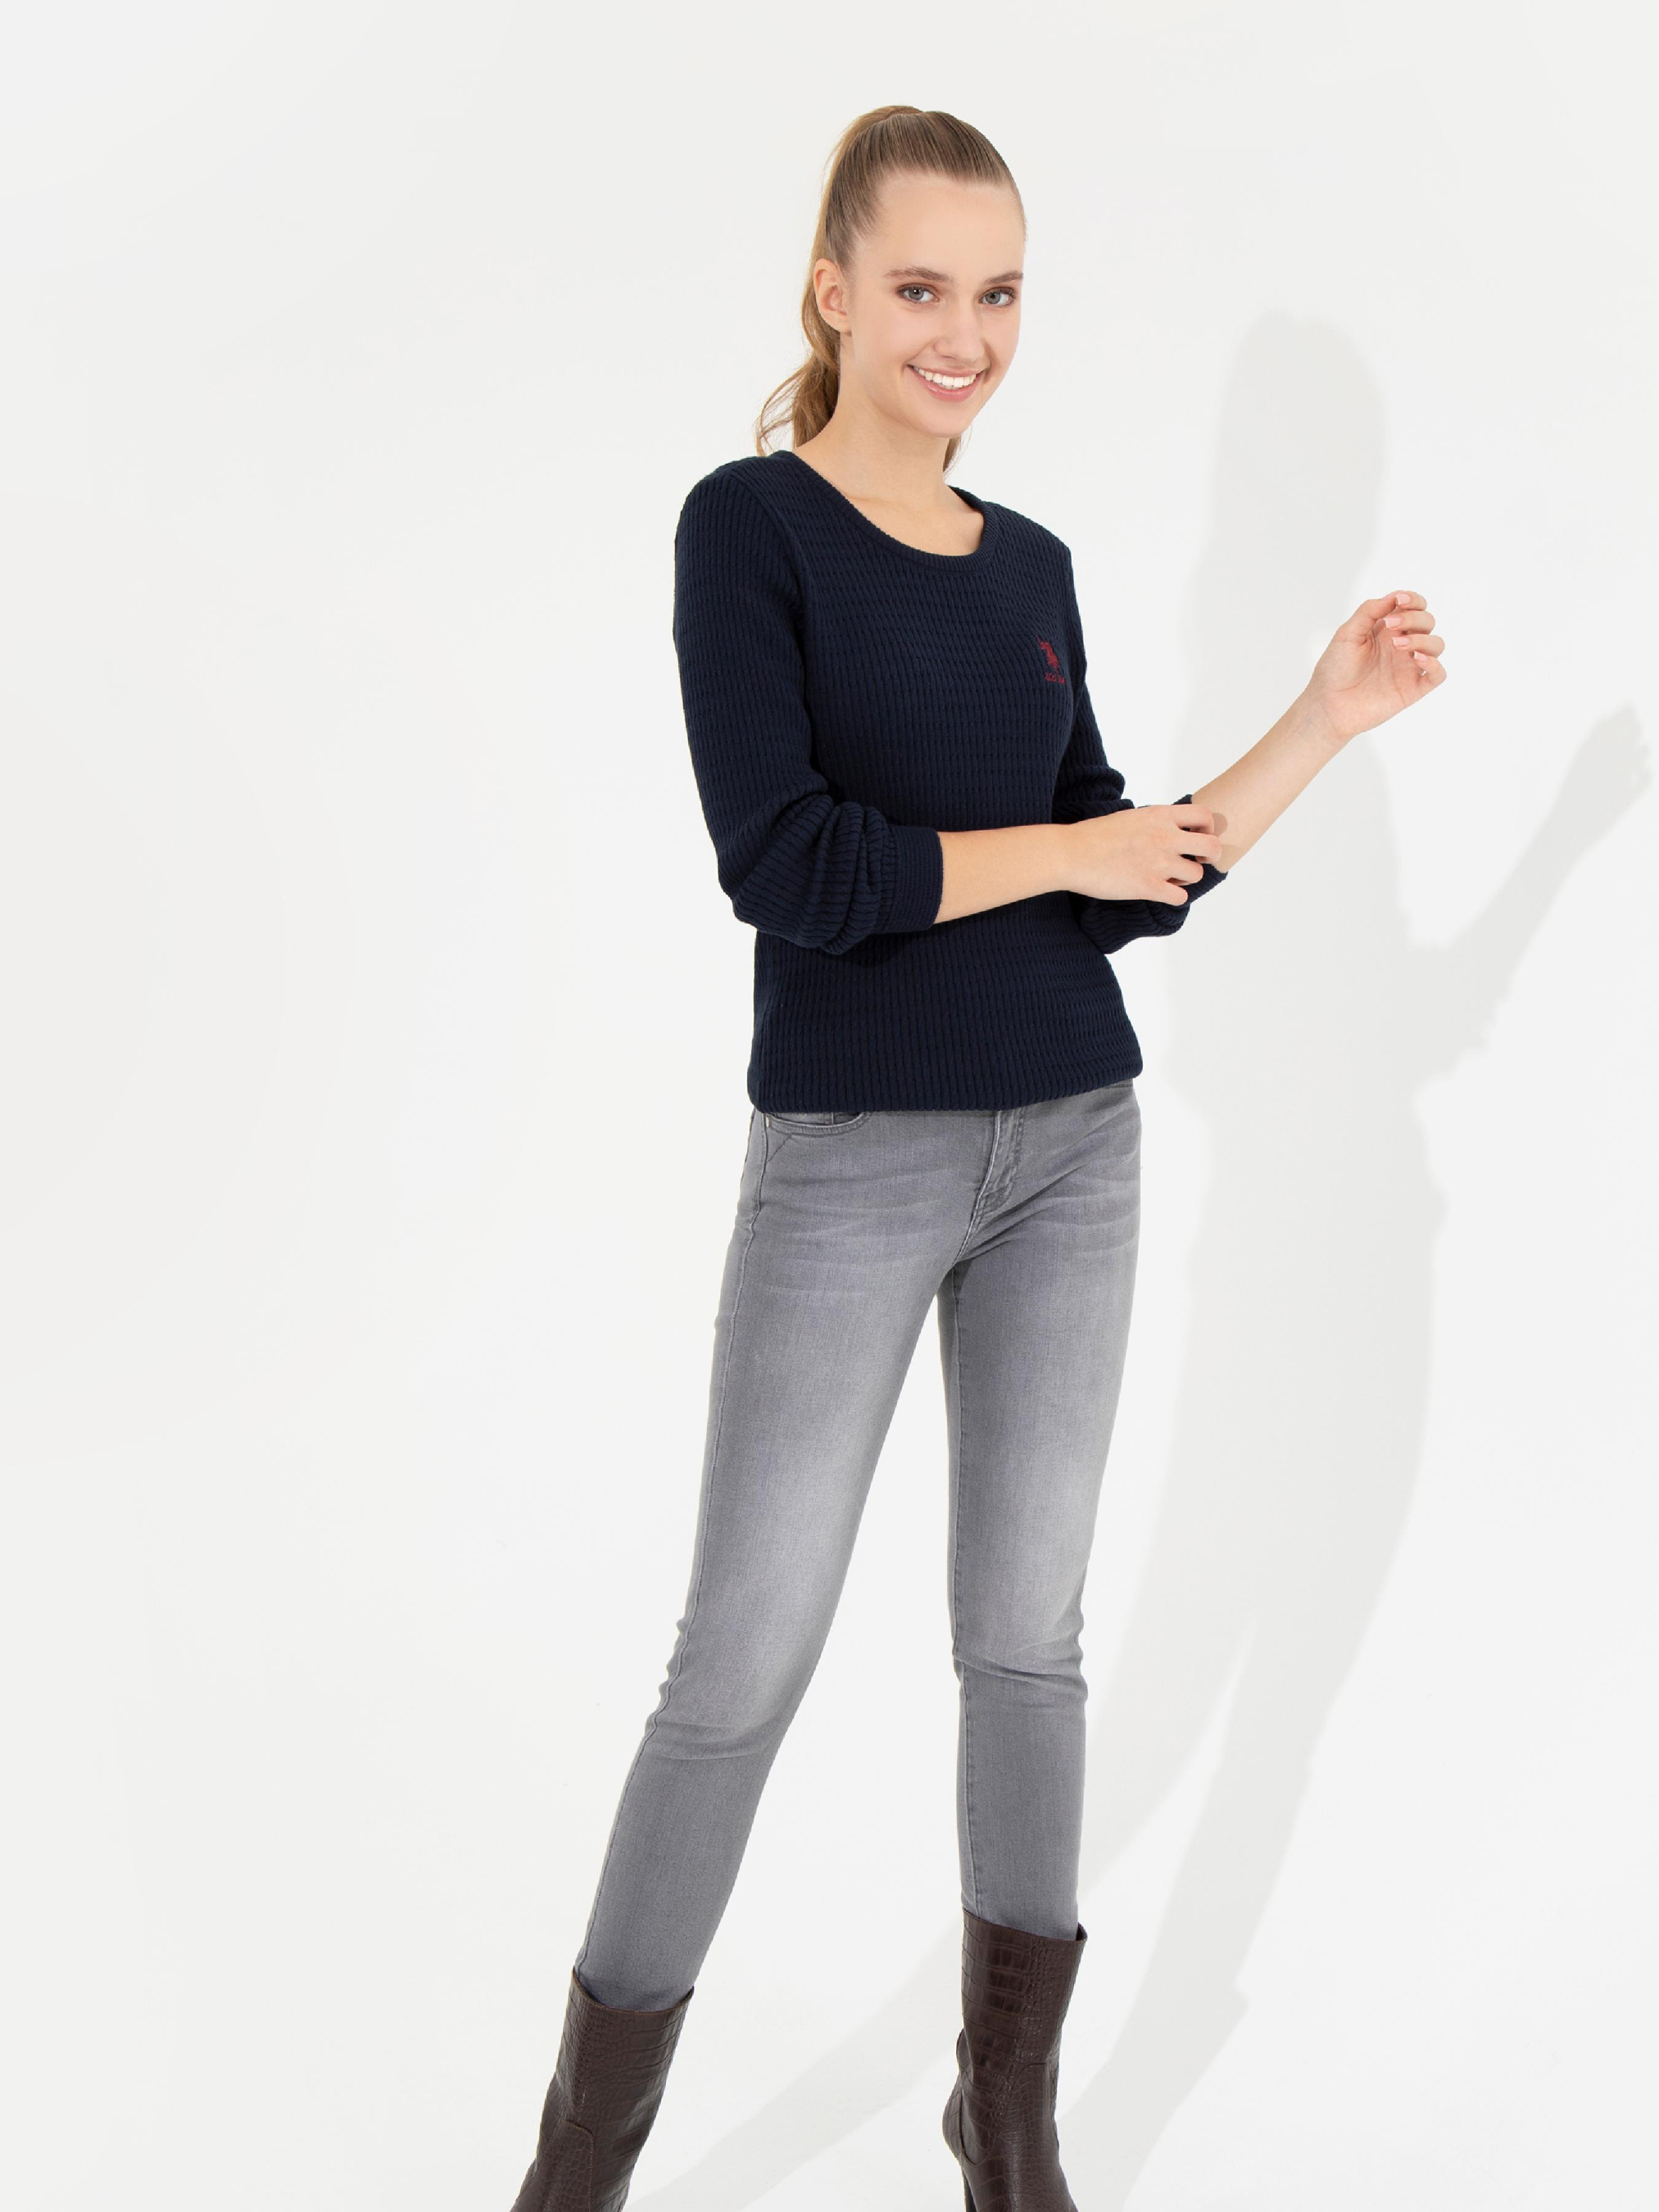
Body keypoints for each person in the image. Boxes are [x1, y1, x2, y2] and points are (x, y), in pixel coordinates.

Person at [506, 104, 1446, 2212]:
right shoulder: (748, 527)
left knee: (1027, 1645)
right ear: (831, 291)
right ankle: (582, 2154)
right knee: (735, 1664)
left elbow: (1119, 881)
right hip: (848, 1158)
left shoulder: (1029, 568)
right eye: (920, 287)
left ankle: (1003, 2115)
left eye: (999, 292)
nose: (964, 334)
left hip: (1072, 1147)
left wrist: (1317, 719)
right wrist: (1052, 847)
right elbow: (792, 866)